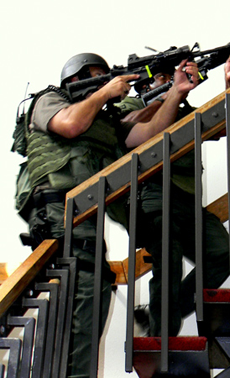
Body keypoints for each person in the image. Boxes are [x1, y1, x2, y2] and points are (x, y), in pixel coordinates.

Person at [18, 52, 199, 377]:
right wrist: (105, 92)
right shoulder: (49, 101)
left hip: (84, 225)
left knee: (94, 294)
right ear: (75, 80)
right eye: (97, 77)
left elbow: (147, 135)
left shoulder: (101, 124)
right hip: (60, 220)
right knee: (85, 295)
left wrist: (176, 92)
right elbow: (70, 124)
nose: (106, 84)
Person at [118, 50, 230, 337]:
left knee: (223, 255)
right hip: (154, 198)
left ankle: (156, 317)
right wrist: (171, 94)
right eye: (163, 77)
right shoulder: (133, 104)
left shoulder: (185, 111)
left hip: (188, 200)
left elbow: (228, 125)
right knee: (170, 266)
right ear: (146, 86)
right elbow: (129, 130)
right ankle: (162, 339)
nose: (174, 80)